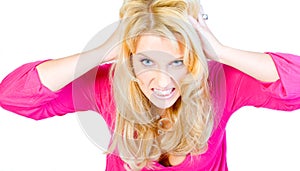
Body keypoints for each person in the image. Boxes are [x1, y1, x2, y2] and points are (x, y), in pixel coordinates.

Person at [1, 0, 300, 170]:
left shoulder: (220, 83)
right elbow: (14, 96)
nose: (162, 82)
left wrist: (220, 51)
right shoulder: (108, 86)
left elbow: (295, 84)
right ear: (128, 58)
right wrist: (100, 53)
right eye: (146, 62)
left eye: (178, 62)